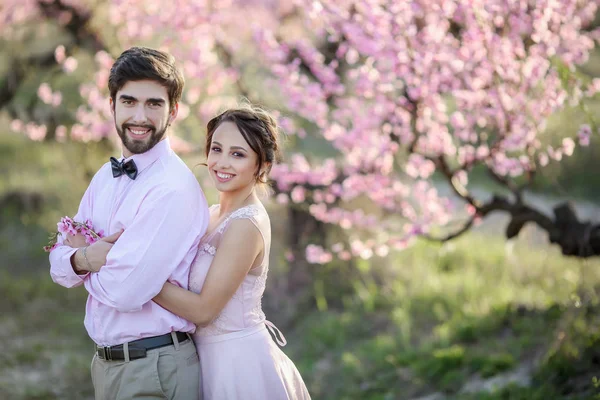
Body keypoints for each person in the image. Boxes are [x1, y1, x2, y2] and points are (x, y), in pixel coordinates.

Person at [94, 104, 311, 399]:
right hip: (200, 359)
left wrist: (135, 274)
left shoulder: (246, 225)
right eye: (217, 149)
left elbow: (203, 310)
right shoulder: (209, 215)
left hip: (236, 365)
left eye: (238, 154)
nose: (221, 162)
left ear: (262, 166)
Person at [49, 46, 208, 400]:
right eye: (130, 101)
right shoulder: (104, 177)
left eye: (154, 104)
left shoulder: (172, 189)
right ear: (112, 105)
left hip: (155, 369)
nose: (140, 116)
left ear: (174, 110)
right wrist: (88, 259)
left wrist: (81, 262)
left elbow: (126, 291)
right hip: (108, 367)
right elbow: (57, 265)